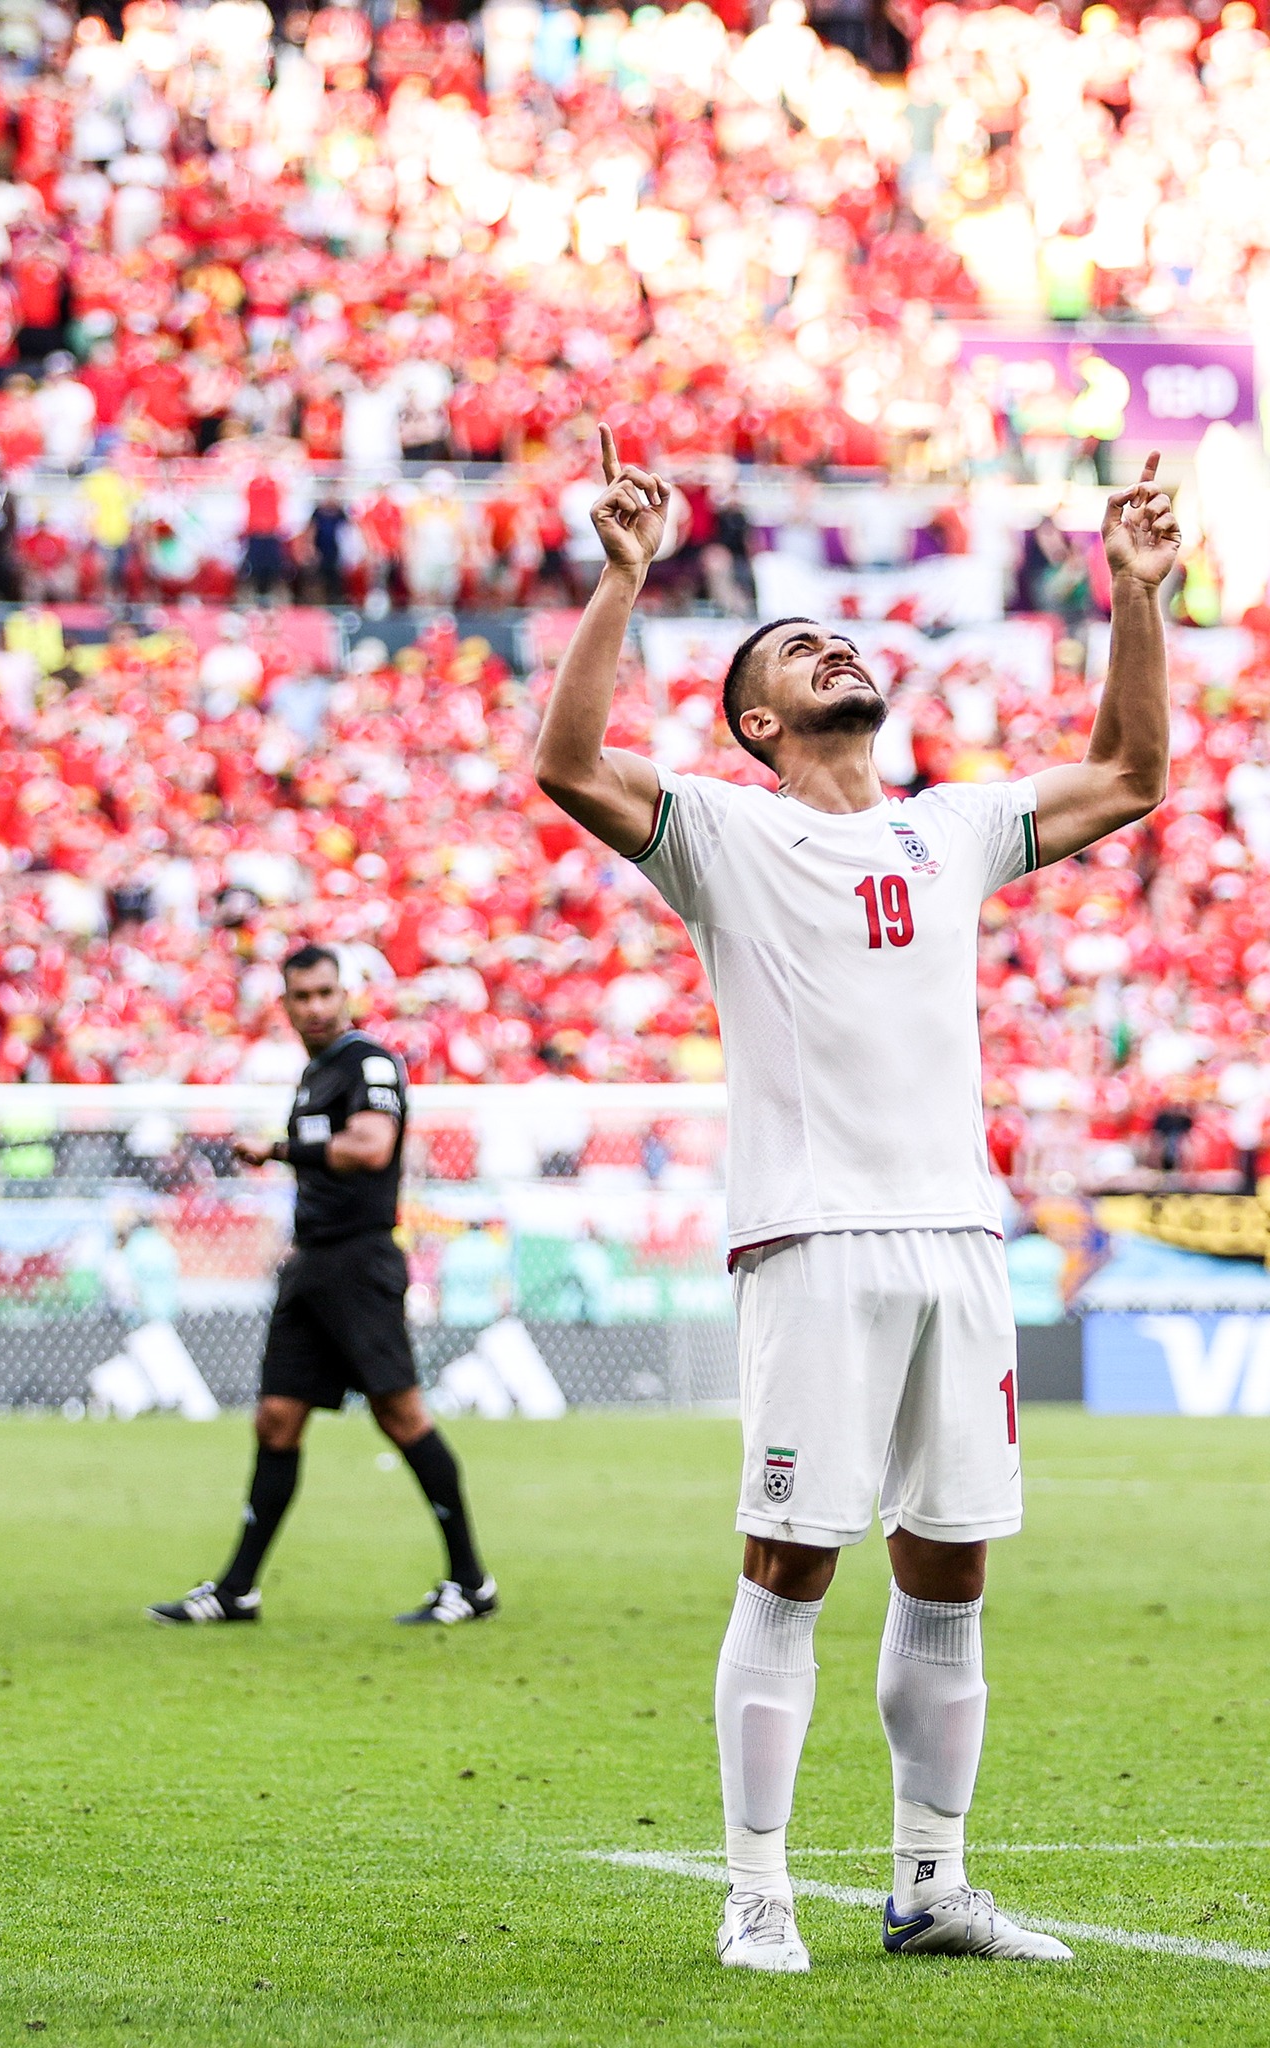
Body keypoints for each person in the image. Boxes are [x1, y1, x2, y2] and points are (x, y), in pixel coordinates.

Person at [531, 428, 1178, 1974]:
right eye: (797, 649)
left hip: (957, 1232)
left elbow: (1138, 774)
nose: (834, 646)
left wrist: (1135, 592)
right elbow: (567, 764)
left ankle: (930, 1884)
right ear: (758, 718)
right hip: (812, 1236)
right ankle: (755, 1888)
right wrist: (623, 579)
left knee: (948, 1565)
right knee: (792, 1562)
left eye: (838, 635)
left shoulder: (951, 825)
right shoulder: (728, 832)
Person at [148, 945, 496, 1628]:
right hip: (311, 1263)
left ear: (346, 995)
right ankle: (237, 1590)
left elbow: (372, 1148)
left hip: (360, 1264)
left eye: (325, 993)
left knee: (402, 1417)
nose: (314, 1007)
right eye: (301, 996)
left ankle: (471, 1581)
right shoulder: (315, 1074)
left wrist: (277, 1151)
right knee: (276, 1418)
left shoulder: (368, 1062)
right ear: (285, 1003)